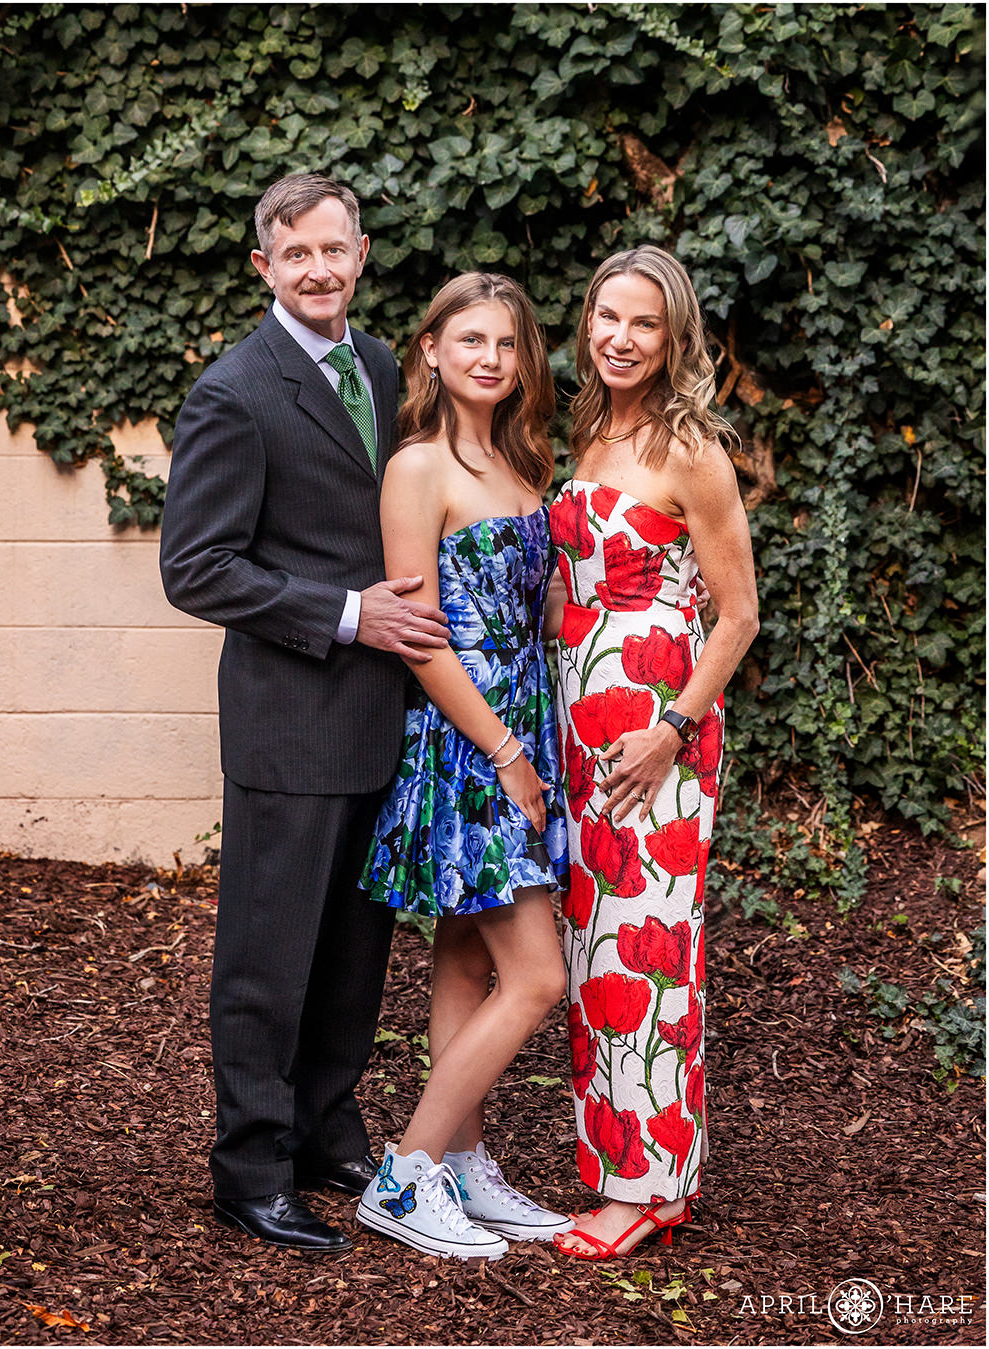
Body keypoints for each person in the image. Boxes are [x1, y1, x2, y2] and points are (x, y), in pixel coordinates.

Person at [159, 173, 452, 1252]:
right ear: (264, 269)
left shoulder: (379, 365)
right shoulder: (235, 391)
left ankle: (327, 1128)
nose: (320, 270)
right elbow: (195, 567)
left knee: (354, 951)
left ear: (361, 251)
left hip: (382, 715)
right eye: (298, 257)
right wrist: (341, 614)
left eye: (335, 250)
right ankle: (249, 1166)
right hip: (290, 718)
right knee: (268, 956)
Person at [547, 245, 759, 1260]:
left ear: (674, 337)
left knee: (649, 953)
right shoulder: (589, 428)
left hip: (655, 740)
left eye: (643, 324)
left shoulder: (691, 449)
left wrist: (672, 727)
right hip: (581, 730)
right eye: (606, 318)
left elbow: (739, 614)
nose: (620, 338)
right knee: (595, 954)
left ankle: (642, 1187)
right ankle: (630, 1168)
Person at [355, 273, 573, 1259]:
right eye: (468, 338)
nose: (490, 356)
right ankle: (405, 1177)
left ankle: (464, 1161)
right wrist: (505, 749)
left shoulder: (523, 463)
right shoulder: (417, 468)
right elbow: (420, 636)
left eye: (508, 342)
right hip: (474, 742)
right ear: (430, 351)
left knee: (466, 955)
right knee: (537, 976)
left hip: (530, 731)